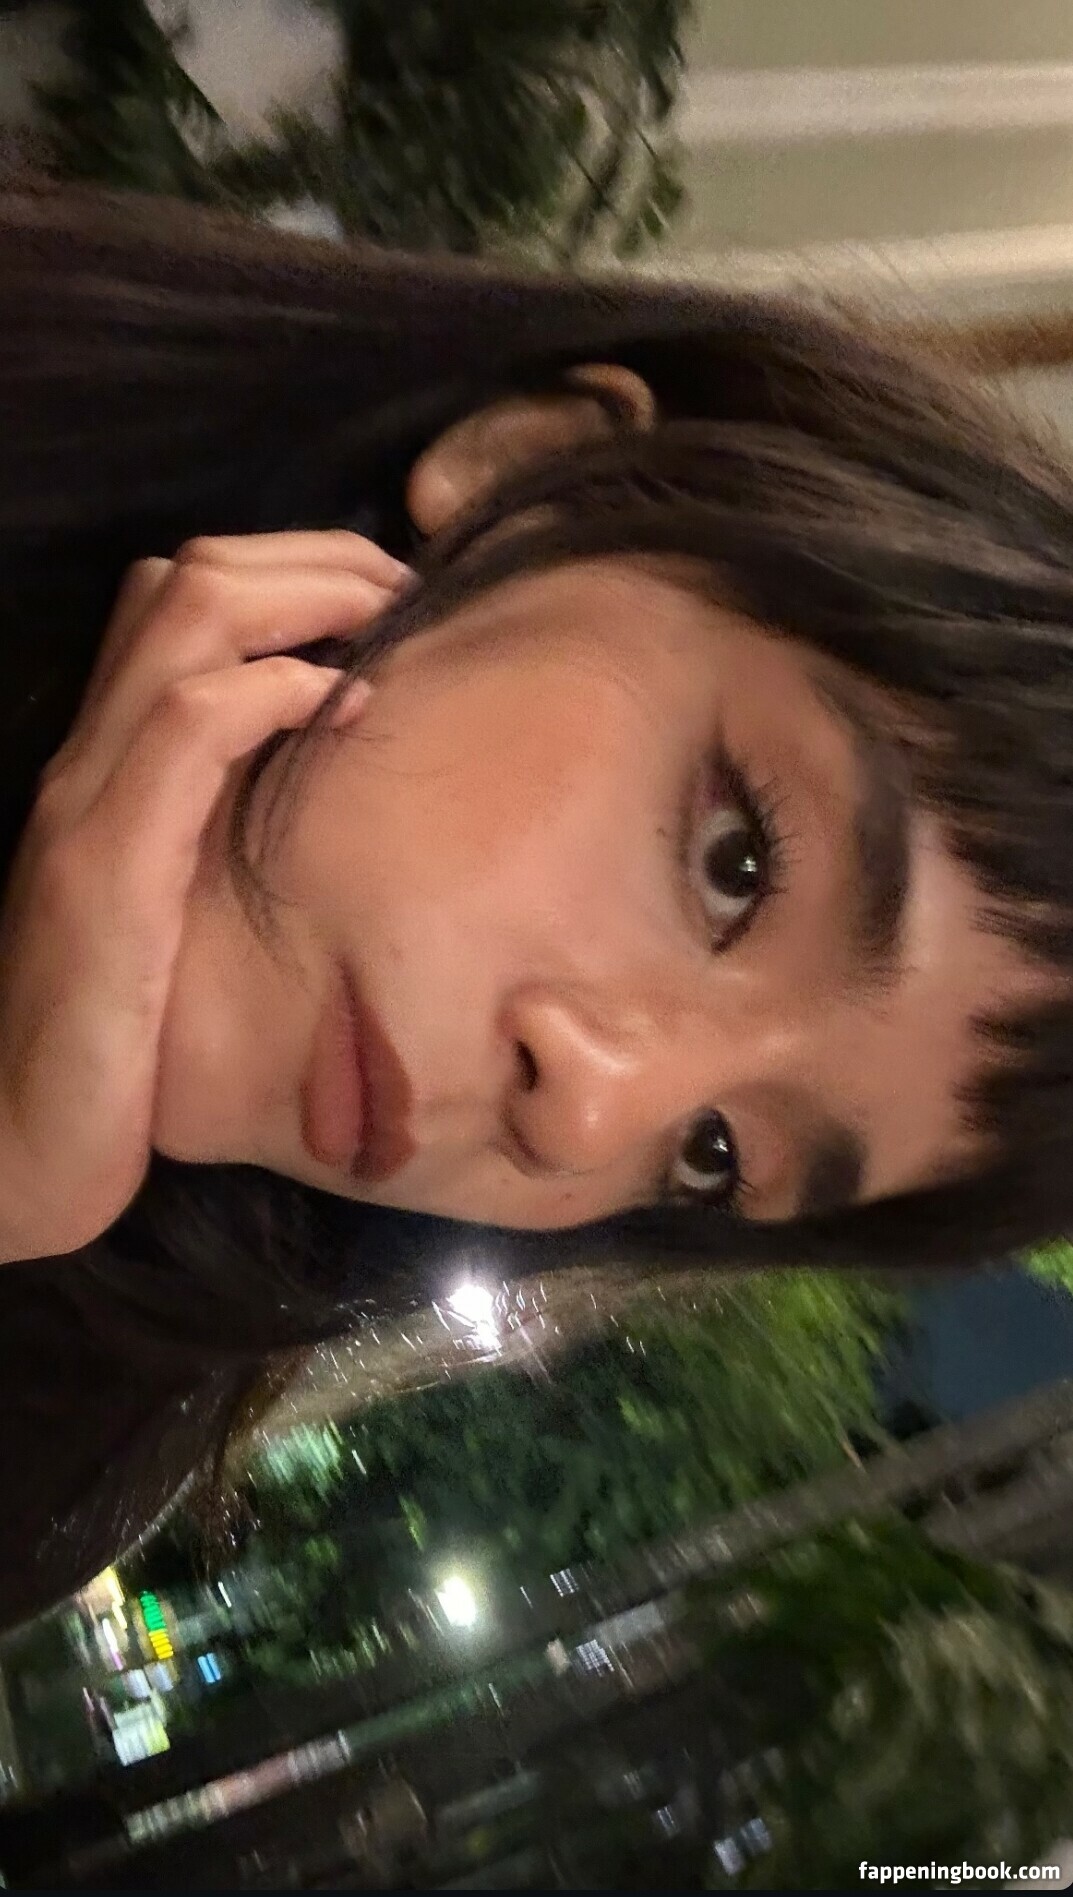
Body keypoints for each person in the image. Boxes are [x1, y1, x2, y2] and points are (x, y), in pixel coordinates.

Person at [0, 177, 1070, 1629]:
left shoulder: (52, 1440)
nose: (586, 1115)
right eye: (735, 863)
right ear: (529, 476)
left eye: (711, 1155)